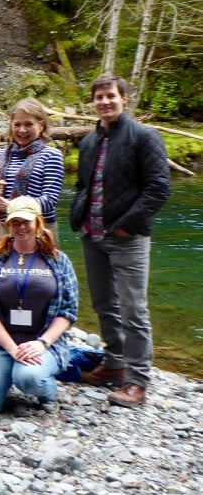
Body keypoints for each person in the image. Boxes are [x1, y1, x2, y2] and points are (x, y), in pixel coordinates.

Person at [71, 74, 171, 407]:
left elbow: (158, 188)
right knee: (103, 304)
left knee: (133, 310)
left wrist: (127, 225)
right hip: (93, 234)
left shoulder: (144, 136)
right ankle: (114, 363)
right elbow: (84, 186)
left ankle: (138, 381)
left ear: (123, 99)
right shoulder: (89, 141)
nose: (105, 102)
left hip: (127, 238)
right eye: (99, 97)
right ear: (93, 102)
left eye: (110, 96)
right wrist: (79, 215)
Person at [0, 196, 77, 414]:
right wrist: (11, 348)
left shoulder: (59, 260)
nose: (21, 227)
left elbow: (68, 311)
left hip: (43, 344)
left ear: (38, 222)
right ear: (8, 225)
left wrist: (42, 343)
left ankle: (47, 389)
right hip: (1, 346)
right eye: (15, 222)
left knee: (29, 377)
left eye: (26, 221)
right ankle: (6, 372)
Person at [0, 97, 64, 239]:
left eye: (29, 124)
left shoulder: (52, 155)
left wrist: (12, 207)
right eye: (17, 124)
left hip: (41, 229)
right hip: (6, 229)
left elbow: (49, 200)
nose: (22, 130)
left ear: (41, 126)